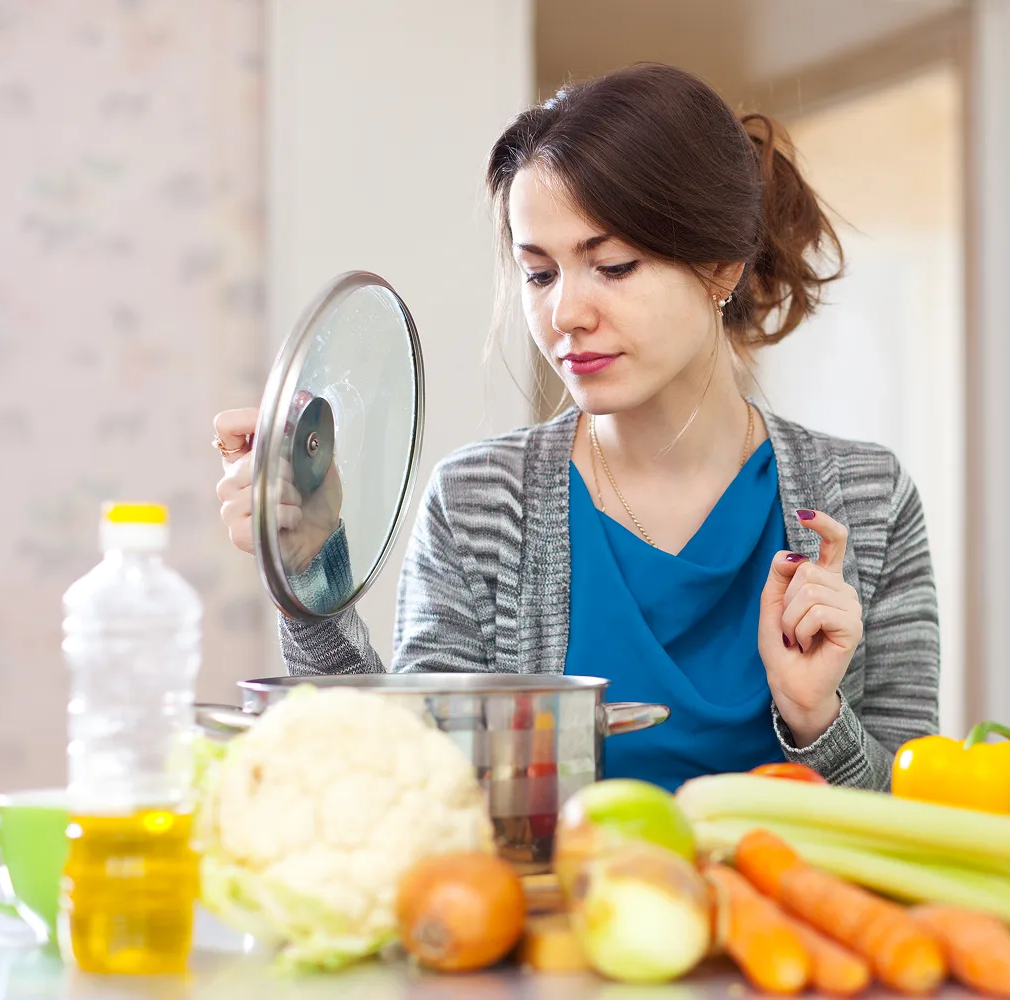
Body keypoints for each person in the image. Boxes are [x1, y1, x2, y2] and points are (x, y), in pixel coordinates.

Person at [212, 63, 939, 791]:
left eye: (613, 265)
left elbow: (920, 833)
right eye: (539, 274)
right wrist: (310, 579)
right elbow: (403, 790)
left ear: (721, 266)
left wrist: (818, 716)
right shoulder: (478, 501)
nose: (565, 315)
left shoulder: (867, 499)